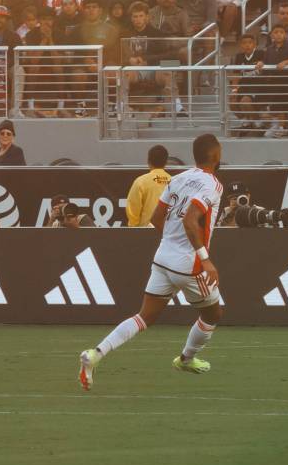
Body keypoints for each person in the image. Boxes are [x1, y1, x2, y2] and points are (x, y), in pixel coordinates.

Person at [79, 133, 227, 389]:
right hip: (189, 264)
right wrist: (205, 260)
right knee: (213, 314)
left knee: (143, 316)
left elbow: (156, 219)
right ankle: (186, 359)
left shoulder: (178, 178)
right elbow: (190, 220)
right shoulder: (213, 184)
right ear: (216, 155)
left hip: (163, 258)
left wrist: (172, 242)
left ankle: (95, 354)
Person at [124, 144, 172, 230]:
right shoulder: (174, 181)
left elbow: (133, 208)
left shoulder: (141, 181)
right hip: (168, 232)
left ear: (148, 161)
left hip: (146, 233)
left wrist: (134, 228)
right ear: (166, 162)